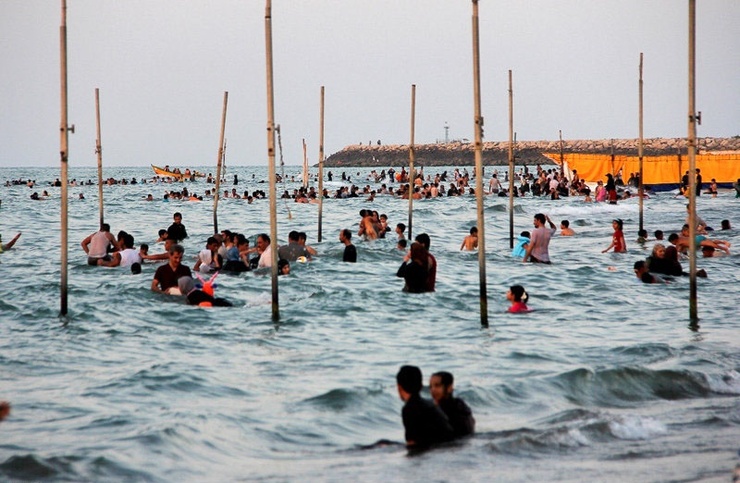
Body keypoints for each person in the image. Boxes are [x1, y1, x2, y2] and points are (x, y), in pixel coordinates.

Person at [396, 365, 454, 449]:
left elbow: (412, 443)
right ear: (420, 385)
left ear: (399, 387)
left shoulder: (409, 408)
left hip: (438, 447)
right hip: (449, 444)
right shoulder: (429, 403)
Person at [429, 372, 475, 438]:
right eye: (430, 386)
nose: (432, 390)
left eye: (437, 386)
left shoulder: (451, 410)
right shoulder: (460, 405)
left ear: (449, 388)